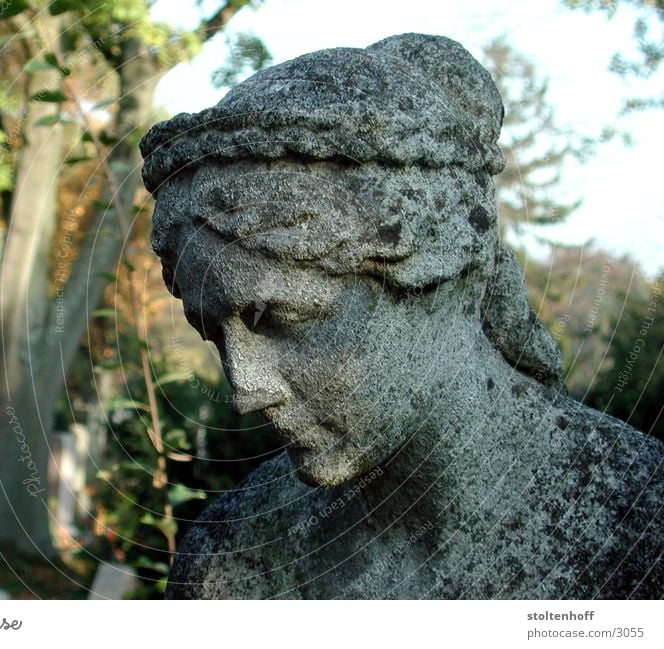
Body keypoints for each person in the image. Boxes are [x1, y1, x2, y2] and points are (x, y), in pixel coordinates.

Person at [140, 33, 664, 599]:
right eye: (213, 333)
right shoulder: (231, 563)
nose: (244, 389)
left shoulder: (640, 520)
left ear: (441, 264)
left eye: (277, 317)